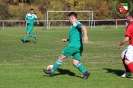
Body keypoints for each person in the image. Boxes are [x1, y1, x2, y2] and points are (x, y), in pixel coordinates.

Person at [43, 12, 90, 79]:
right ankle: (86, 72)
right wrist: (67, 39)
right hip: (79, 47)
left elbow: (84, 27)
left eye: (69, 19)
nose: (69, 20)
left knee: (61, 56)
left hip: (73, 46)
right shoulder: (75, 25)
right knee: (75, 62)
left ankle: (52, 71)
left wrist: (85, 36)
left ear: (72, 18)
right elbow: (76, 36)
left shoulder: (75, 23)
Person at [116, 13, 133, 80]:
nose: (126, 17)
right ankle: (128, 71)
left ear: (130, 17)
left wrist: (119, 44)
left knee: (127, 61)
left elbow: (126, 39)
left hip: (132, 45)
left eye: (127, 16)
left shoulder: (130, 25)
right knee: (122, 55)